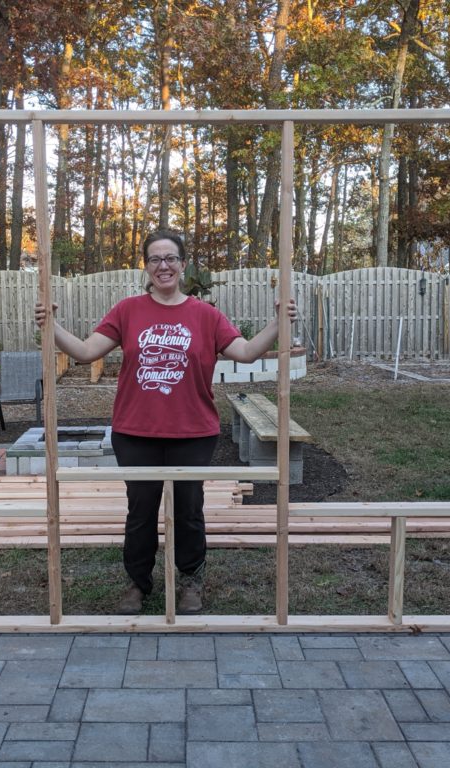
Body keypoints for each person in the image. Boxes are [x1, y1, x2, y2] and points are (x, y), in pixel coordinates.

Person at [34, 230, 296, 615]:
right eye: (155, 259)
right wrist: (50, 326)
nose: (163, 266)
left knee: (189, 509)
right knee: (140, 511)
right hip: (135, 432)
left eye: (170, 258)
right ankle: (137, 584)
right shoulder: (127, 310)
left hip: (193, 432)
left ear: (183, 264)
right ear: (146, 267)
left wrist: (278, 323)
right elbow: (87, 351)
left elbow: (245, 352)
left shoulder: (206, 315)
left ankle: (191, 580)